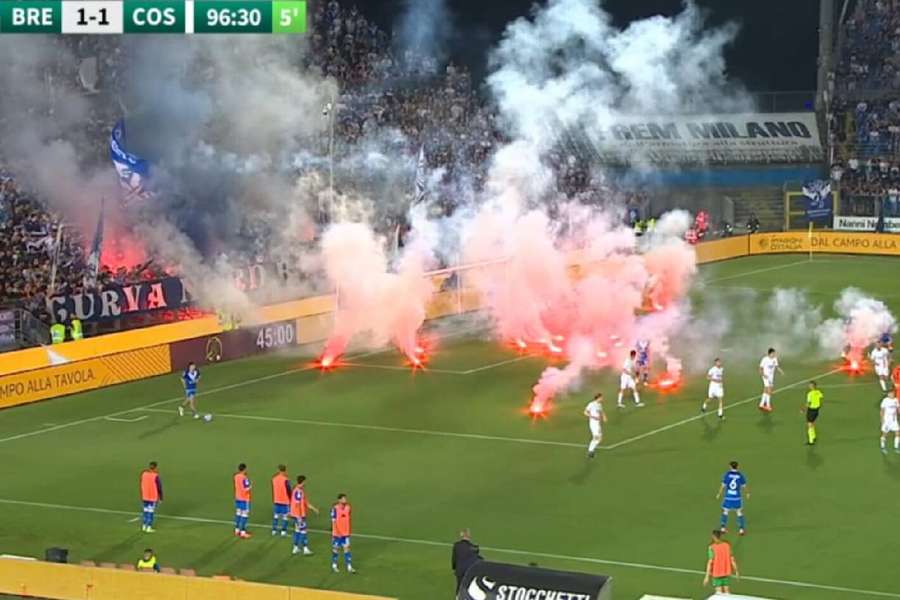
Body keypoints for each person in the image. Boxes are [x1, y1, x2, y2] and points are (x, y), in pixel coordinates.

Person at [716, 461, 749, 535]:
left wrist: (719, 494)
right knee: (739, 512)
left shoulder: (727, 475)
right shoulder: (740, 475)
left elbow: (723, 485)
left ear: (730, 466)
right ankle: (741, 530)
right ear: (737, 466)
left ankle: (723, 528)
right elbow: (744, 486)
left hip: (728, 497)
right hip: (737, 497)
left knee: (725, 511)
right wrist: (747, 493)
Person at [290, 475, 319, 556]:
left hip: (297, 515)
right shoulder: (298, 491)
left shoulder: (299, 490)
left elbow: (305, 503)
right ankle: (305, 549)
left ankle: (295, 548)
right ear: (303, 481)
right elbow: (297, 504)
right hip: (299, 515)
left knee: (297, 530)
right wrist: (299, 517)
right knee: (303, 531)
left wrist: (313, 509)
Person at [703, 530, 739, 594]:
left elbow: (710, 562)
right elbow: (732, 559)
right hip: (726, 572)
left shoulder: (711, 547)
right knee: (727, 592)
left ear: (713, 537)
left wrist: (707, 577)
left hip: (717, 573)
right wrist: (736, 571)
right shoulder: (727, 545)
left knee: (719, 594)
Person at [331, 493, 354, 573]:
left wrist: (348, 531)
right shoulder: (335, 509)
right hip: (337, 534)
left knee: (347, 549)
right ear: (339, 500)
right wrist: (338, 532)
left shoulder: (348, 508)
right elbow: (334, 522)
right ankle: (334, 565)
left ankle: (349, 566)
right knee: (336, 549)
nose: (345, 500)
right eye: (344, 499)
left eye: (345, 499)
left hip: (345, 534)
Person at [139, 461, 163, 533]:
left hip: (145, 496)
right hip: (152, 497)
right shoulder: (156, 476)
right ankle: (149, 527)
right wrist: (161, 497)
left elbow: (141, 482)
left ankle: (143, 526)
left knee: (145, 511)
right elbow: (159, 487)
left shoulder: (144, 474)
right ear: (155, 467)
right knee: (151, 512)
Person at [758, 348, 783, 412]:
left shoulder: (775, 359)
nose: (774, 354)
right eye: (773, 353)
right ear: (769, 353)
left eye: (774, 353)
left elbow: (776, 366)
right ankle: (768, 405)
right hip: (765, 376)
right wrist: (763, 375)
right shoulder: (765, 359)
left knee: (766, 389)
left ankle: (761, 404)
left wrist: (780, 371)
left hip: (771, 377)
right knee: (769, 390)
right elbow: (760, 368)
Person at [584, 392, 608, 459]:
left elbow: (601, 411)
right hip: (593, 423)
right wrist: (593, 417)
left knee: (600, 439)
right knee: (596, 437)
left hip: (598, 423)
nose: (602, 399)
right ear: (598, 398)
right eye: (601, 397)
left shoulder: (599, 405)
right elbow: (585, 412)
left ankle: (591, 450)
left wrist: (604, 416)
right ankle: (590, 451)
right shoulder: (591, 404)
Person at [271, 465, 292, 537]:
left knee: (276, 516)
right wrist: (291, 499)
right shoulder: (286, 480)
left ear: (279, 470)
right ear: (285, 471)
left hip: (276, 500)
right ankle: (283, 531)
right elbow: (288, 490)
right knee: (285, 517)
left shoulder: (274, 479)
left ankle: (274, 530)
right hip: (285, 500)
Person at [233, 463, 252, 539]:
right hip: (244, 499)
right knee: (245, 514)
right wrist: (250, 486)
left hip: (238, 497)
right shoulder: (244, 478)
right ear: (244, 469)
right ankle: (243, 532)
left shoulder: (235, 476)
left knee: (238, 513)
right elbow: (246, 488)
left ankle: (237, 530)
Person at [802, 381, 823, 445]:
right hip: (816, 410)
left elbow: (808, 403)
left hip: (811, 410)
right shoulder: (818, 392)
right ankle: (814, 436)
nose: (808, 386)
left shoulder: (810, 394)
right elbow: (821, 398)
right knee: (813, 423)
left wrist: (803, 409)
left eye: (809, 385)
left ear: (812, 386)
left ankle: (811, 440)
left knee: (809, 424)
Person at [880, 389, 900, 454]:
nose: (892, 394)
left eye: (893, 393)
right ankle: (883, 447)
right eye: (891, 393)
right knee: (884, 434)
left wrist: (898, 413)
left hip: (894, 420)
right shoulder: (885, 400)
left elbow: (897, 408)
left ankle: (896, 447)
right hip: (887, 420)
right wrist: (882, 420)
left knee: (897, 433)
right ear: (888, 394)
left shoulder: (896, 400)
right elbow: (882, 410)